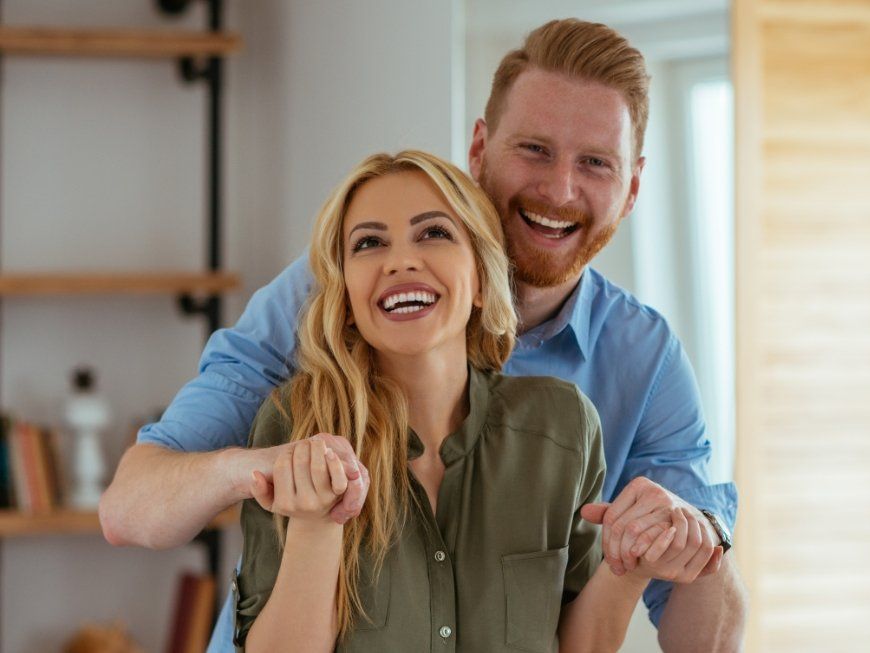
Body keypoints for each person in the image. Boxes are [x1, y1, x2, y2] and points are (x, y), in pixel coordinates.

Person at [100, 18, 747, 652]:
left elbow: (704, 641)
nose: (559, 188)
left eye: (596, 163)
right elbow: (130, 509)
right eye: (534, 149)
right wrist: (267, 471)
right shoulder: (329, 298)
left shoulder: (635, 366)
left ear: (632, 188)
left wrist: (691, 538)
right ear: (478, 149)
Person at [236, 149, 683, 652]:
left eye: (434, 233)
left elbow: (577, 644)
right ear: (345, 294)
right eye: (369, 243)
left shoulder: (563, 426)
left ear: (479, 279)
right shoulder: (295, 425)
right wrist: (316, 526)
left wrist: (630, 570)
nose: (401, 260)